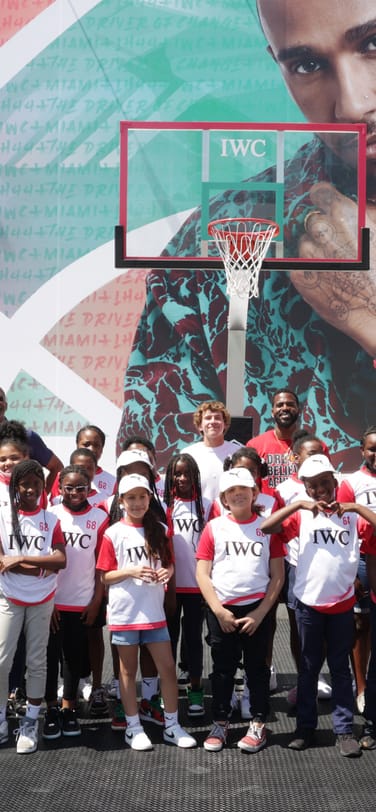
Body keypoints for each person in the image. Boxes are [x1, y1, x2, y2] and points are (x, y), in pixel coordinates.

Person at [118, 0, 376, 474]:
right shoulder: (216, 240)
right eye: (307, 64)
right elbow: (166, 492)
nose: (353, 104)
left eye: (374, 44)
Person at [260, 454, 376, 758]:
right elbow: (266, 527)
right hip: (308, 606)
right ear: (306, 488)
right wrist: (298, 504)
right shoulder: (302, 515)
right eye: (312, 486)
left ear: (335, 483)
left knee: (340, 668)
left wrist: (357, 507)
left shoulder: (352, 517)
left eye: (325, 482)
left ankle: (343, 730)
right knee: (309, 668)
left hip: (342, 606)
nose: (320, 490)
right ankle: (305, 728)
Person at [96, 473, 197, 751]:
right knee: (127, 673)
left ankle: (172, 725)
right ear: (121, 501)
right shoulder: (112, 533)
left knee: (167, 668)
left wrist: (168, 572)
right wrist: (130, 570)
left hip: (154, 614)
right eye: (131, 498)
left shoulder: (161, 529)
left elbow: (170, 564)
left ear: (150, 498)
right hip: (124, 614)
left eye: (142, 496)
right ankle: (133, 727)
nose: (138, 502)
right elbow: (105, 576)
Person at [196, 467, 285, 753]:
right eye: (231, 491)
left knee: (257, 669)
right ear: (223, 497)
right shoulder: (214, 527)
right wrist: (219, 611)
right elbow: (202, 573)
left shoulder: (268, 527)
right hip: (222, 609)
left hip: (257, 609)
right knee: (222, 670)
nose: (237, 494)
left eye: (243, 489)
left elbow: (278, 575)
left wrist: (260, 613)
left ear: (254, 493)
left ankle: (258, 724)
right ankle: (220, 722)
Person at [0, 460, 66, 754]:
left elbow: (60, 561)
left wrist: (18, 562)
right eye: (24, 484)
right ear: (14, 486)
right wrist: (39, 568)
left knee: (37, 662)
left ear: (44, 486)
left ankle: (30, 721)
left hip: (42, 600)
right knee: (2, 661)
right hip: (8, 597)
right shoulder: (1, 516)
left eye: (35, 484)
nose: (29, 489)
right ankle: (2, 719)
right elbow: (1, 563)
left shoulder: (51, 520)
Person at [43, 464, 109, 739]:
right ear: (60, 488)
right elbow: (44, 560)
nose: (74, 493)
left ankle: (69, 709)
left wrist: (96, 601)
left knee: (73, 659)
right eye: (68, 488)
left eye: (80, 488)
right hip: (51, 603)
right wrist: (48, 602)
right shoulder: (50, 515)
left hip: (82, 603)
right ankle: (50, 709)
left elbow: (101, 567)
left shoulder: (100, 517)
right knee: (47, 660)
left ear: (89, 489)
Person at [163, 452, 211, 717]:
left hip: (196, 586)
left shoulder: (207, 504)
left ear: (195, 476)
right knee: (168, 640)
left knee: (194, 640)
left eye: (187, 473)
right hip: (169, 586)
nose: (182, 478)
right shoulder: (163, 504)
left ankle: (195, 689)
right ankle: (167, 691)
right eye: (177, 473)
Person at [345, 426, 376, 716]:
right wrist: (351, 570)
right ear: (362, 451)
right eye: (372, 449)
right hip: (363, 561)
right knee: (360, 626)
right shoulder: (351, 483)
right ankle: (362, 687)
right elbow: (344, 530)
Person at [0, 387, 63, 493]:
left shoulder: (26, 436)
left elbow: (57, 467)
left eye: (0, 398)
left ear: (5, 405)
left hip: (21, 507)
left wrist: (41, 498)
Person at [181, 401, 240, 502]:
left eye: (217, 418)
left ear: (225, 424)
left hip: (229, 515)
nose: (213, 421)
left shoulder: (238, 453)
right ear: (200, 425)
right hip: (198, 514)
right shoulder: (187, 454)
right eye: (208, 418)